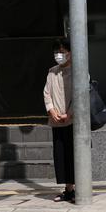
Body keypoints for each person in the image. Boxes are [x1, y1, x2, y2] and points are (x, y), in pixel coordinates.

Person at [43, 38, 75, 202]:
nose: (59, 55)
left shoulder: (79, 71)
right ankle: (68, 190)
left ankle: (78, 189)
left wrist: (69, 114)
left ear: (70, 53)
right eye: (56, 52)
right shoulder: (52, 72)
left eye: (62, 52)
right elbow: (46, 93)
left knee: (74, 155)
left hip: (74, 122)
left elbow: (81, 96)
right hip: (57, 120)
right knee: (61, 155)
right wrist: (51, 110)